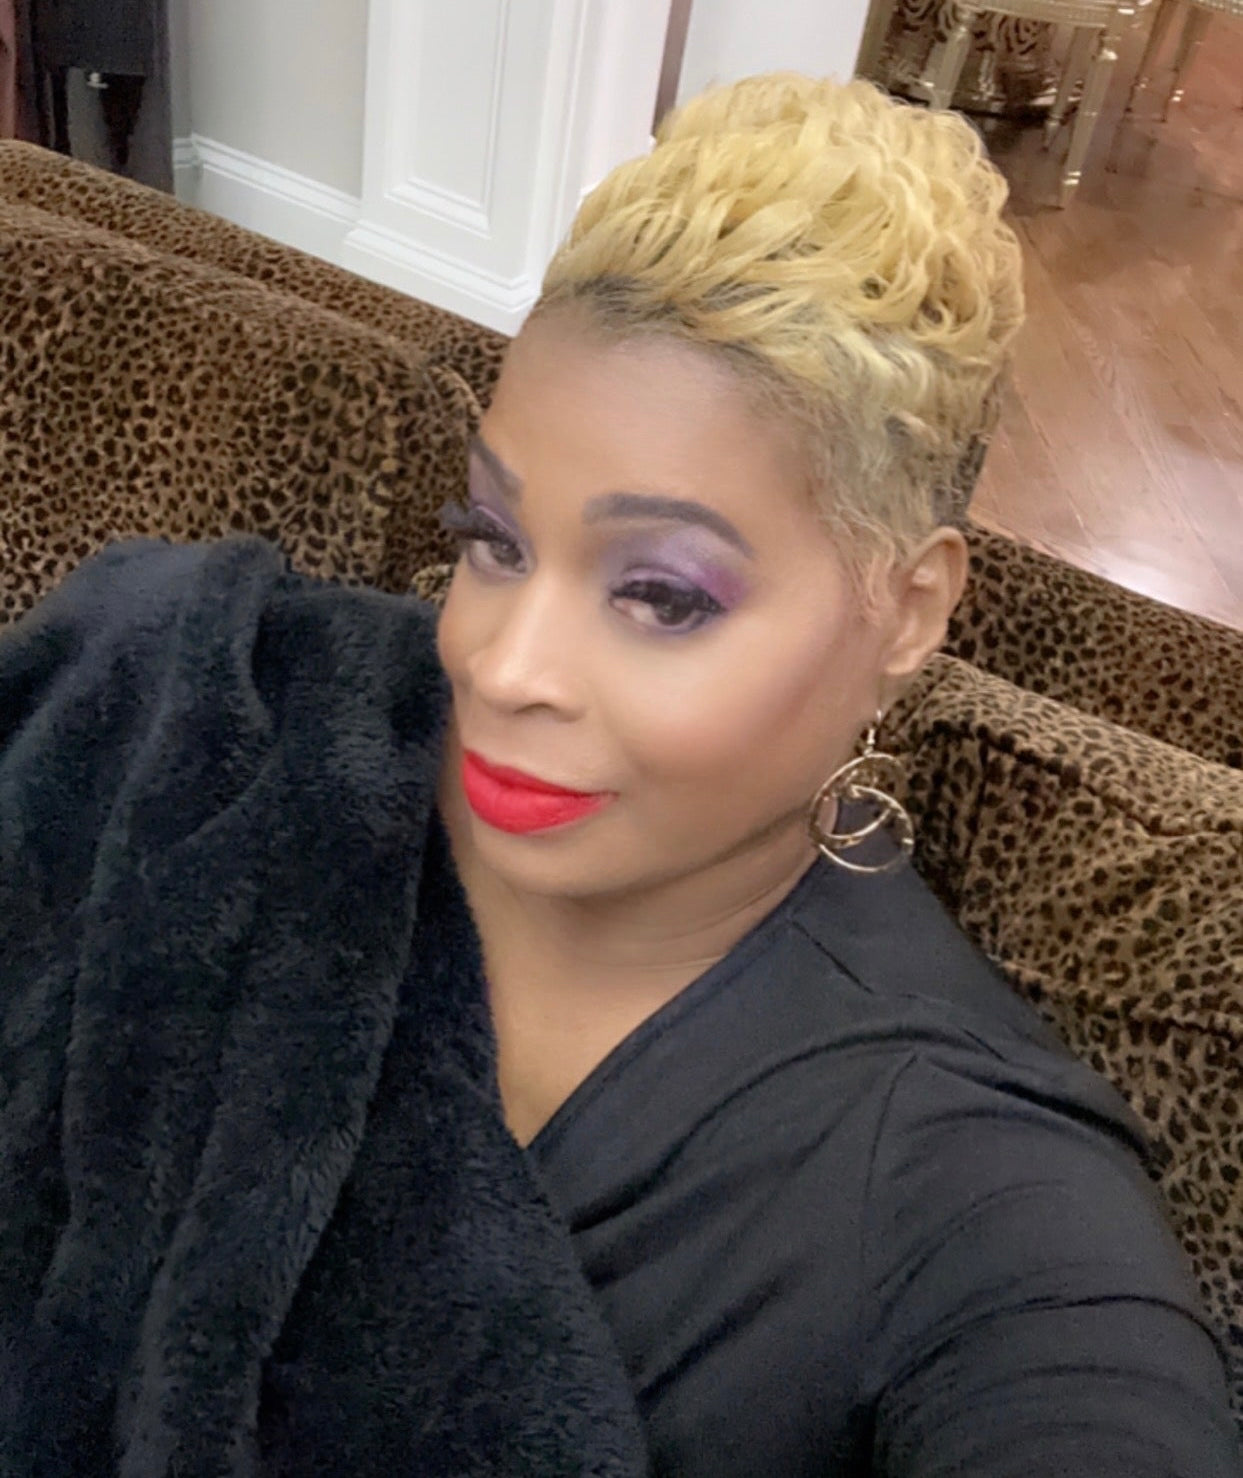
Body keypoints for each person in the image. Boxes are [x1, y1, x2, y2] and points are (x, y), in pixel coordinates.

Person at [0, 74, 1238, 1478]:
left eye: (661, 594)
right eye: (495, 539)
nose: (502, 662)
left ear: (907, 611)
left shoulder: (981, 1205)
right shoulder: (245, 718)